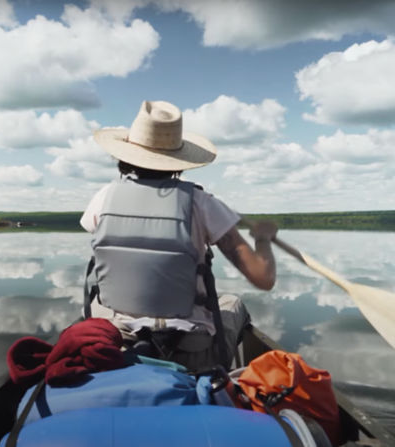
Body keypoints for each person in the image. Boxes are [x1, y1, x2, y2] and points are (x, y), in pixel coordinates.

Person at [80, 100, 278, 372]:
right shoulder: (202, 202)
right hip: (191, 354)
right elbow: (263, 278)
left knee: (95, 306)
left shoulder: (103, 198)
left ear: (126, 155)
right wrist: (263, 239)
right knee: (234, 303)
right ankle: (232, 385)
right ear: (179, 159)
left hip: (119, 348)